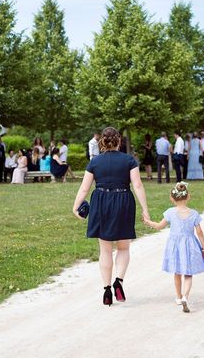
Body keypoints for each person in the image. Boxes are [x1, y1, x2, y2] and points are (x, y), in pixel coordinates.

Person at [72, 127, 150, 306]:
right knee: (123, 248)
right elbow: (137, 185)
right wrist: (145, 209)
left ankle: (106, 290)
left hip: (101, 202)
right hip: (123, 201)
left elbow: (84, 188)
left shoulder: (95, 162)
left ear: (102, 142)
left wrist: (76, 206)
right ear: (119, 141)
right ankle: (118, 282)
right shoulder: (129, 160)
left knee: (105, 250)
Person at [143, 182, 204, 313]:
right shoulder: (194, 213)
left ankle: (178, 297)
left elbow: (159, 226)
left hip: (175, 246)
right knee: (188, 274)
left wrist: (148, 222)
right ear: (188, 196)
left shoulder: (170, 212)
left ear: (172, 198)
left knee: (177, 272)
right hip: (190, 245)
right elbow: (200, 232)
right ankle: (185, 296)